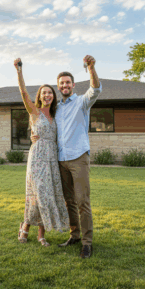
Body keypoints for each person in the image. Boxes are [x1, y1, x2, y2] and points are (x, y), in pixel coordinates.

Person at [32, 55, 101, 258]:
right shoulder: (57, 108)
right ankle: (75, 235)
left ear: (72, 85)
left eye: (68, 82)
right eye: (61, 83)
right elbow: (43, 125)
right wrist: (33, 134)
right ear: (58, 86)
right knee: (68, 201)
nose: (65, 85)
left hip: (79, 158)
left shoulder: (81, 102)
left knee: (82, 201)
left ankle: (87, 243)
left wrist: (91, 68)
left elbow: (95, 89)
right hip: (60, 160)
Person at [14, 58, 69, 247]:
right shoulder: (34, 112)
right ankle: (25, 227)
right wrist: (19, 71)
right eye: (44, 93)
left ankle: (41, 235)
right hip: (37, 157)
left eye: (50, 93)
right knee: (38, 194)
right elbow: (22, 92)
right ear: (40, 95)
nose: (47, 95)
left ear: (53, 96)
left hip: (52, 159)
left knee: (49, 194)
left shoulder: (56, 115)